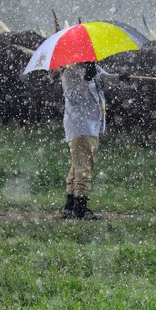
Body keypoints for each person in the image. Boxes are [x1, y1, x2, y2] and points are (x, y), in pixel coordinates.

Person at [59, 60, 130, 219]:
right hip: (80, 125)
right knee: (84, 166)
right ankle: (80, 207)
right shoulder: (69, 73)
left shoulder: (92, 68)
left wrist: (120, 77)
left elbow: (105, 78)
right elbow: (73, 96)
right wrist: (86, 80)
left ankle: (70, 205)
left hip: (92, 124)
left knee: (77, 165)